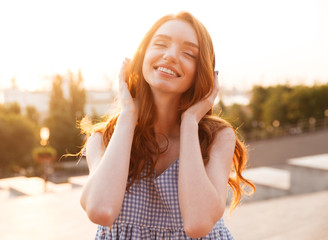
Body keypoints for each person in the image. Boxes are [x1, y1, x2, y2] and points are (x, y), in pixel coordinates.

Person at [80, 11, 254, 239]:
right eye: (161, 44)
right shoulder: (104, 138)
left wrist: (190, 122)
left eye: (189, 53)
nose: (171, 56)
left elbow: (198, 224)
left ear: (202, 72)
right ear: (142, 56)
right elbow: (100, 211)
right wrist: (128, 115)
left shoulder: (216, 138)